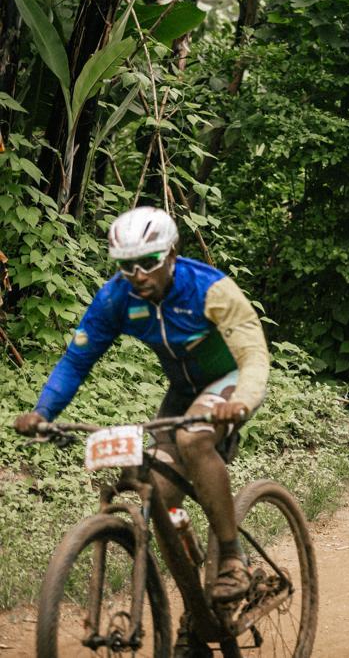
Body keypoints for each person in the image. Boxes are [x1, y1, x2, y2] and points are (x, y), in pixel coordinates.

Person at [13, 206, 270, 606]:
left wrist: (239, 402)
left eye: (148, 263)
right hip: (183, 392)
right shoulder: (117, 297)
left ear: (171, 254)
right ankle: (197, 612)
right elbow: (78, 360)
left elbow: (253, 354)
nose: (138, 275)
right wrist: (44, 412)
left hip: (227, 382)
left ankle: (232, 556)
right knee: (159, 490)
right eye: (126, 265)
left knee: (193, 438)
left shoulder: (209, 288)